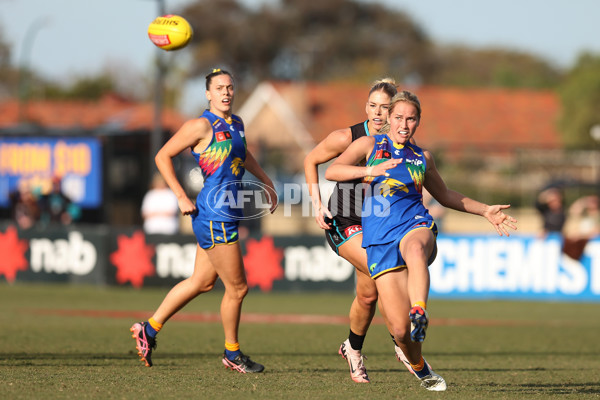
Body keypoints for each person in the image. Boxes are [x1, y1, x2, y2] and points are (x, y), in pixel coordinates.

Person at [325, 90, 517, 391]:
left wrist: (485, 211)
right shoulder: (368, 144)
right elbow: (333, 170)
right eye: (399, 117)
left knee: (415, 248)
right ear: (388, 118)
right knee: (400, 331)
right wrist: (369, 170)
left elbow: (444, 194)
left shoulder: (422, 156)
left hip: (415, 224)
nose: (404, 124)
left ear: (418, 122)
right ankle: (417, 362)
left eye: (411, 119)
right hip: (378, 240)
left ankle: (419, 310)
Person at [130, 68, 278, 373]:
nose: (226, 92)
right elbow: (162, 156)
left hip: (227, 212)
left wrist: (265, 180)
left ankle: (149, 329)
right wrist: (181, 196)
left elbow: (242, 154)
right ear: (208, 94)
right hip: (214, 215)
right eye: (219, 88)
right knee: (237, 289)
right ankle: (232, 353)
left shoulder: (236, 123)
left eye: (230, 87)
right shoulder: (200, 125)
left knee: (201, 282)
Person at [304, 78, 414, 383]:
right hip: (342, 222)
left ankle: (352, 349)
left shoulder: (400, 143)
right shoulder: (347, 138)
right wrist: (316, 204)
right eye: (372, 106)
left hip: (376, 227)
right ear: (365, 106)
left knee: (367, 297)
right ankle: (401, 342)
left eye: (384, 108)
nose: (377, 113)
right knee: (386, 272)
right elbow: (312, 160)